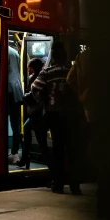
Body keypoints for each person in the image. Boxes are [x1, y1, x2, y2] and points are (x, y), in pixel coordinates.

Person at [32, 41, 82, 194]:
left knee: (58, 149)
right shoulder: (72, 70)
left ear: (53, 57)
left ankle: (59, 184)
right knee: (73, 149)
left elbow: (35, 88)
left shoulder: (48, 72)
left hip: (54, 115)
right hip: (72, 115)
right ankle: (75, 186)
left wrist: (43, 101)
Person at [16, 58, 49, 170]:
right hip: (38, 114)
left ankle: (53, 171)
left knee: (41, 142)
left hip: (37, 114)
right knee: (29, 133)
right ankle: (25, 158)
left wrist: (23, 97)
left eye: (29, 67)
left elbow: (32, 95)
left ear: (33, 68)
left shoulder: (35, 79)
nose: (27, 69)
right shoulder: (44, 77)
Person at [7, 41, 24, 163]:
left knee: (0, 122)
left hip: (8, 91)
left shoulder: (1, 52)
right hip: (17, 90)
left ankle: (8, 152)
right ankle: (14, 152)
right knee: (15, 124)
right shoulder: (15, 53)